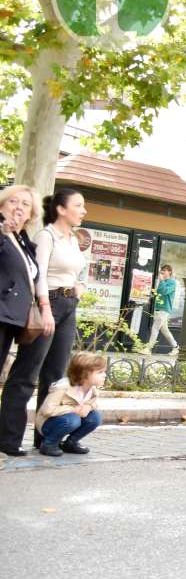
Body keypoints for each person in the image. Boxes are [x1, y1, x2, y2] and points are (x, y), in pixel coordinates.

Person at [2, 188, 89, 454]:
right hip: (46, 305)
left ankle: (46, 439)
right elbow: (37, 275)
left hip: (68, 306)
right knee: (27, 374)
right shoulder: (45, 235)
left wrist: (78, 285)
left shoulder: (73, 239)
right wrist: (45, 306)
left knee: (54, 377)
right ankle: (8, 439)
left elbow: (76, 270)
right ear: (61, 209)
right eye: (79, 205)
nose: (84, 211)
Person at [0, 185, 44, 457]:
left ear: (31, 213)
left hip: (11, 317)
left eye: (25, 204)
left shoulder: (23, 240)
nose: (18, 207)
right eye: (12, 201)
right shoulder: (3, 233)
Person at [35, 352, 106, 457]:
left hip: (68, 419)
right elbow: (47, 410)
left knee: (95, 417)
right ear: (84, 374)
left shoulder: (92, 388)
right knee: (73, 420)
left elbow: (93, 403)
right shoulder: (63, 386)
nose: (104, 375)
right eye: (100, 372)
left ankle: (71, 443)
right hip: (48, 424)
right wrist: (73, 410)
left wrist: (88, 406)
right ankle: (49, 444)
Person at [144, 264, 179, 354]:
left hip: (164, 309)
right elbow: (158, 294)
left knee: (155, 328)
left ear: (170, 272)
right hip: (158, 308)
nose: (162, 272)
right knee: (164, 330)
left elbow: (165, 291)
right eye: (162, 270)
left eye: (165, 270)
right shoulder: (162, 282)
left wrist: (162, 281)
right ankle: (175, 347)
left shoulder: (172, 282)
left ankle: (148, 348)